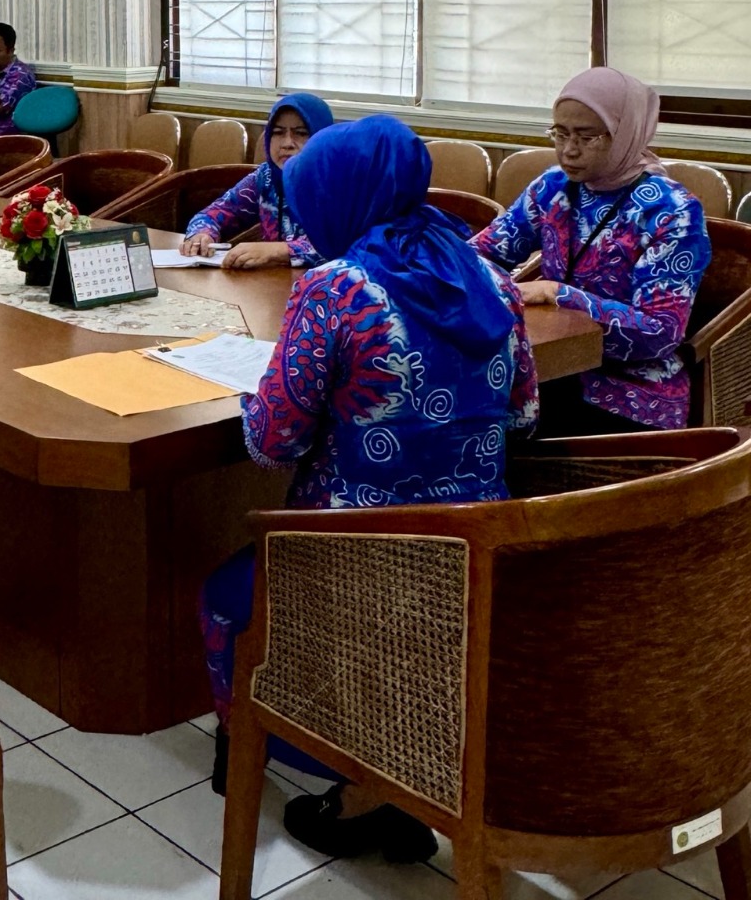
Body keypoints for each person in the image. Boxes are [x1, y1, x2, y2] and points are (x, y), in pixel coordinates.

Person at [201, 116, 535, 862]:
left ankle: (319, 766)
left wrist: (249, 393)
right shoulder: (492, 278)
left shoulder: (336, 289)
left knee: (227, 596)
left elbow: (271, 442)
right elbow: (524, 412)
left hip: (358, 557)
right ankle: (403, 765)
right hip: (479, 553)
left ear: (337, 195)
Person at [473, 66, 709, 433]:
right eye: (560, 133)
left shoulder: (670, 211)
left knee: (483, 423)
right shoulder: (552, 187)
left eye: (587, 137)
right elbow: (482, 254)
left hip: (628, 390)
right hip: (548, 364)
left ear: (626, 132)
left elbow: (660, 332)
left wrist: (557, 294)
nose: (568, 150)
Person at [180, 93, 333, 269]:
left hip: (330, 290)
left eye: (300, 133)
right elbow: (214, 213)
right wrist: (202, 234)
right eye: (277, 132)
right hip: (270, 286)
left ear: (322, 137)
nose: (287, 143)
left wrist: (278, 251)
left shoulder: (340, 181)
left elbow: (342, 245)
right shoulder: (265, 177)